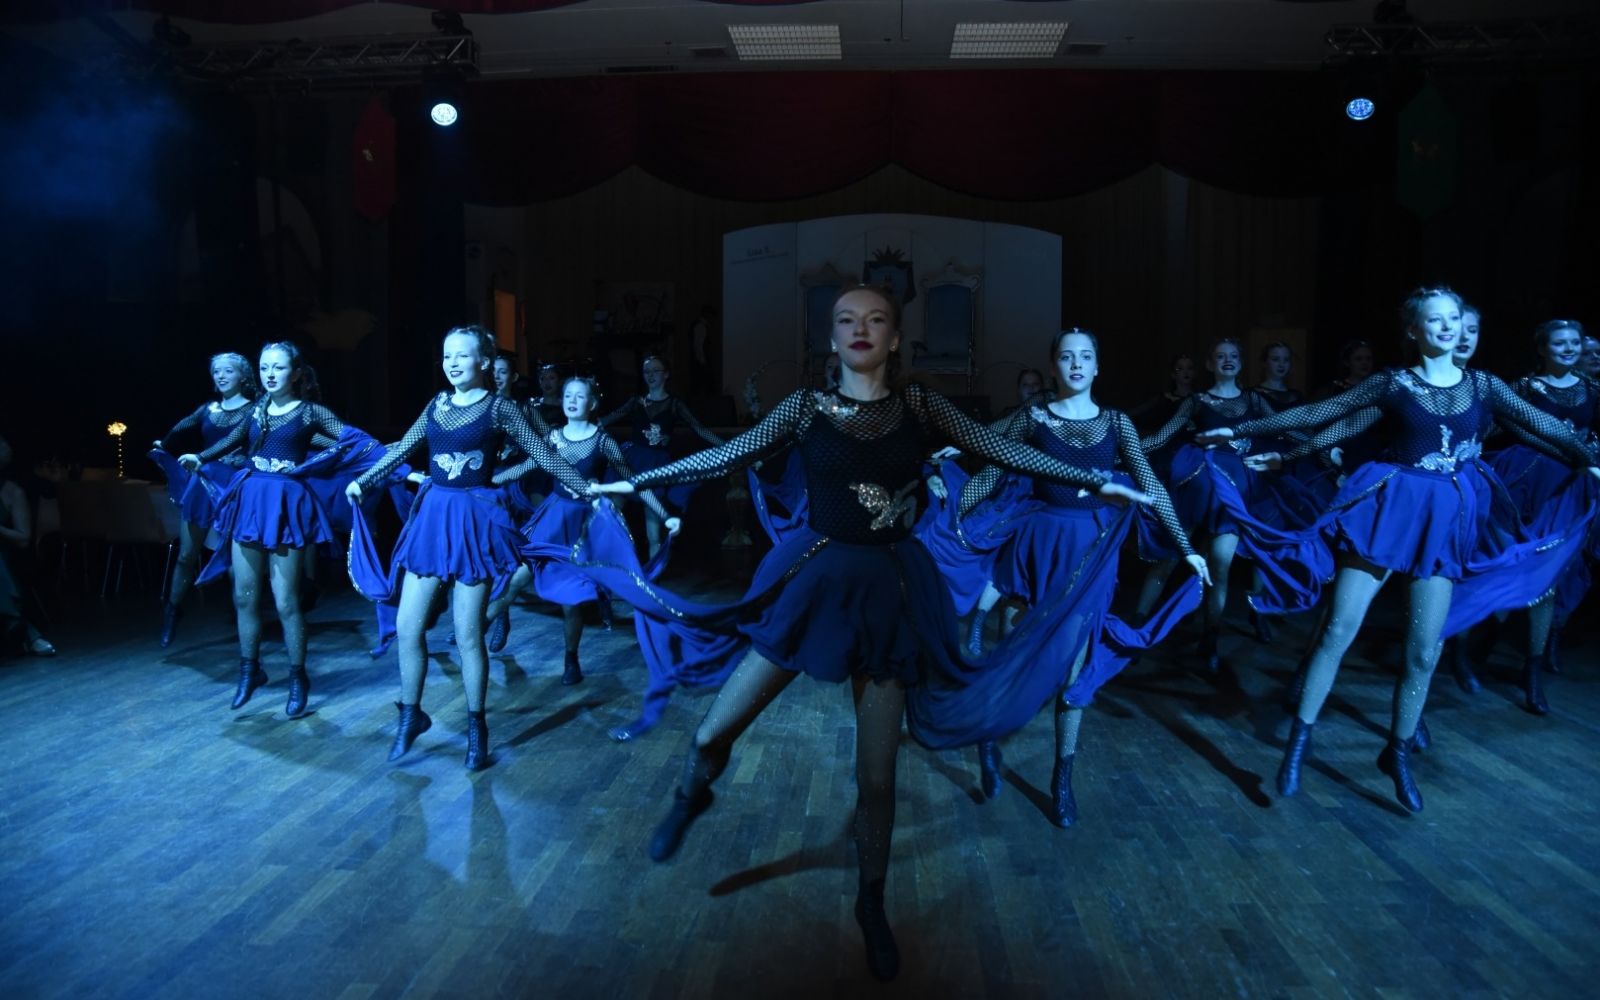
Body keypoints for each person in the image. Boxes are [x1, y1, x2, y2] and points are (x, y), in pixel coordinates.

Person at [587, 285, 1150, 982]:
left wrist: (1097, 480)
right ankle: (689, 795)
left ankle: (871, 903)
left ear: (894, 339)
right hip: (817, 581)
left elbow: (1003, 452)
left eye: (876, 319)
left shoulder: (921, 406)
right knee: (711, 734)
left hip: (889, 592)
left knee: (877, 779)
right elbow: (724, 456)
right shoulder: (805, 407)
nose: (860, 328)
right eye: (846, 320)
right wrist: (632, 485)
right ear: (831, 339)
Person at [1199, 287, 1600, 813]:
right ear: (1414, 329)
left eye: (1454, 319)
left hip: (1444, 522)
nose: (1448, 327)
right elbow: (1324, 412)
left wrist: (1587, 457)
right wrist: (1243, 429)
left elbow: (1540, 423)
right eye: (1435, 320)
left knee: (1424, 651)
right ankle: (1298, 741)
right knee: (1338, 630)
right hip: (1392, 514)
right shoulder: (1394, 383)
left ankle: (1397, 753)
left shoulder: (1483, 385)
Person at [945, 330, 1209, 826]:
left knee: (1075, 670)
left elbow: (1151, 485)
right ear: (1053, 366)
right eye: (1067, 357)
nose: (1076, 364)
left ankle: (1062, 777)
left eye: (1086, 356)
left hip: (1091, 551)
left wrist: (1187, 547)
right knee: (1016, 657)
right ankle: (988, 739)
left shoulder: (1116, 422)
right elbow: (992, 472)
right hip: (1038, 546)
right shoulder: (1035, 416)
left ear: (1098, 366)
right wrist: (952, 519)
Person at [345, 327, 590, 769]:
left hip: (474, 523)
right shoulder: (437, 405)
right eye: (447, 356)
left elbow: (544, 455)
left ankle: (478, 729)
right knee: (407, 626)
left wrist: (587, 488)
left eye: (462, 356)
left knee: (467, 635)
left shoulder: (500, 408)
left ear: (484, 362)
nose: (453, 363)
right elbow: (403, 449)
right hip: (433, 520)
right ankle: (411, 714)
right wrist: (364, 480)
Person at [178, 343, 350, 718]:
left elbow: (349, 442)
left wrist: (309, 465)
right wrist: (201, 456)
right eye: (264, 368)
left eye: (278, 367)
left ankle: (297, 677)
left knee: (286, 600)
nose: (270, 374)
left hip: (284, 504)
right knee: (244, 596)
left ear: (296, 373)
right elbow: (234, 438)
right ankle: (250, 670)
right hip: (251, 501)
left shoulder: (310, 412)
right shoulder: (257, 409)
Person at [480, 376, 678, 691]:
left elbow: (634, 483)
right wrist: (485, 480)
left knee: (571, 601)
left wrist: (665, 515)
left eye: (579, 396)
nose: (572, 401)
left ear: (593, 403)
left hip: (582, 527)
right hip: (552, 519)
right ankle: (477, 632)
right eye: (567, 395)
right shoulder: (553, 438)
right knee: (516, 577)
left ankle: (571, 658)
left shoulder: (603, 441)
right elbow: (526, 466)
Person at [1137, 338, 1315, 675]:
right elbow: (1161, 437)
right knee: (1168, 560)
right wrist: (1119, 451)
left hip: (1234, 493)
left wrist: (1323, 446)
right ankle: (1137, 627)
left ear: (1242, 363)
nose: (1228, 360)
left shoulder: (1253, 399)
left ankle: (1211, 638)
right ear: (1210, 364)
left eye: (1233, 356)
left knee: (1220, 566)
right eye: (1220, 356)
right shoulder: (1196, 401)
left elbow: (1286, 428)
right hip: (1199, 488)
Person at [1479, 319, 1598, 711]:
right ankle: (1484, 640)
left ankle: (1532, 668)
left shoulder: (1592, 388)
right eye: (1559, 343)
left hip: (1569, 488)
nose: (1568, 348)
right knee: (1510, 566)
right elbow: (1491, 424)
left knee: (1551, 576)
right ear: (1543, 349)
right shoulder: (1526, 386)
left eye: (1574, 342)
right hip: (1523, 481)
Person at [148, 353, 257, 648]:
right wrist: (164, 445)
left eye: (228, 371)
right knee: (187, 554)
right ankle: (172, 610)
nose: (221, 376)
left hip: (235, 486)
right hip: (204, 483)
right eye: (216, 371)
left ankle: (244, 620)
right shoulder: (207, 409)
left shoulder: (254, 409)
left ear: (242, 376)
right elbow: (181, 427)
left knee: (235, 559)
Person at [599, 355, 724, 557]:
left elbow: (699, 429)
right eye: (647, 371)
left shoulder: (674, 404)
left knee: (653, 531)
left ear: (666, 374)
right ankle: (616, 560)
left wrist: (727, 446)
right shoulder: (636, 401)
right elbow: (607, 420)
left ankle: (654, 570)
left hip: (654, 464)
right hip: (631, 460)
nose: (650, 375)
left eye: (655, 370)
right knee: (611, 514)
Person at [0, 434, 54, 657]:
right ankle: (27, 631)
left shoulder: (12, 492)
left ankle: (22, 629)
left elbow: (23, 538)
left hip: (9, 552)